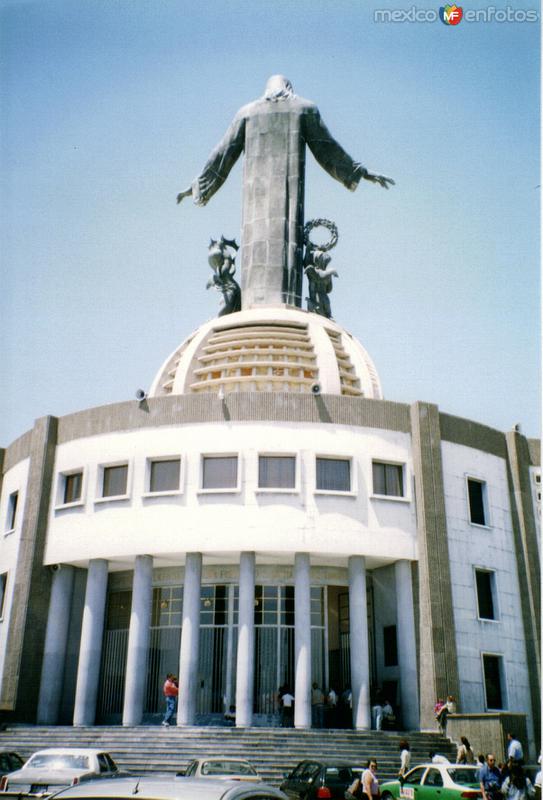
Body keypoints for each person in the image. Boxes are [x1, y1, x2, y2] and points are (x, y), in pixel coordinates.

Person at [177, 75, 393, 309]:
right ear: (289, 88)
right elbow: (328, 150)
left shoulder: (248, 113)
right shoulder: (303, 109)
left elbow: (222, 155)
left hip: (256, 210)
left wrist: (199, 184)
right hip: (282, 211)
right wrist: (361, 172)